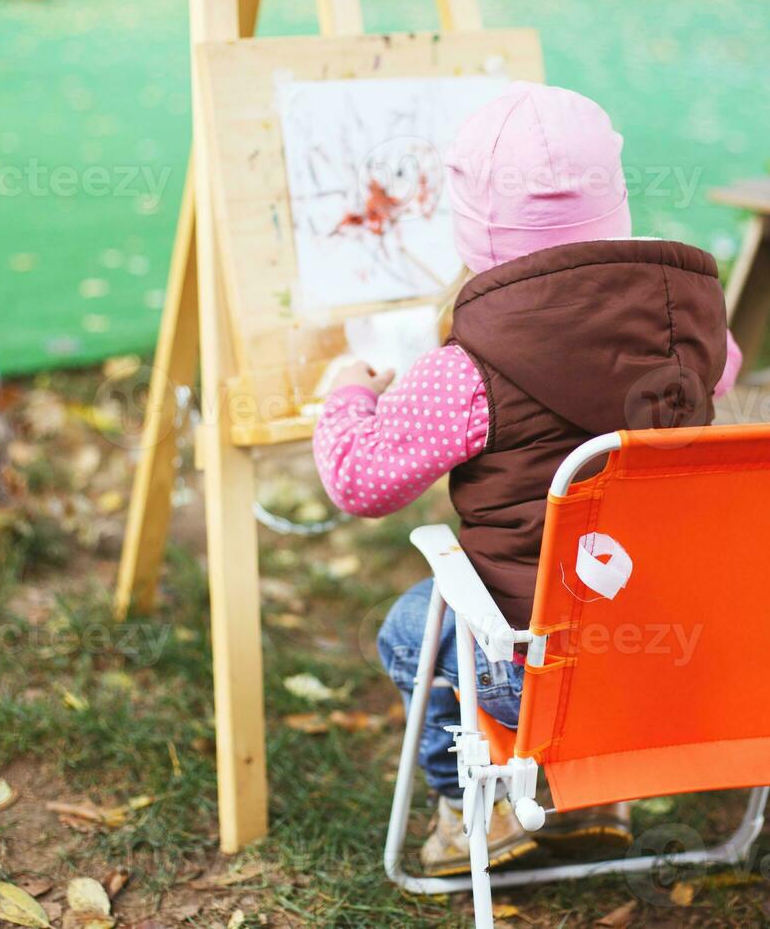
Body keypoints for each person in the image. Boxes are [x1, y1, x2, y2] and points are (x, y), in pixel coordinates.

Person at [312, 83, 734, 876]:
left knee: (413, 631)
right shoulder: (696, 331)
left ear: (472, 219)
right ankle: (591, 793)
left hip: (537, 668)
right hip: (670, 649)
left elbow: (360, 482)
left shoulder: (464, 371)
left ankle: (476, 806)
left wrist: (348, 390)